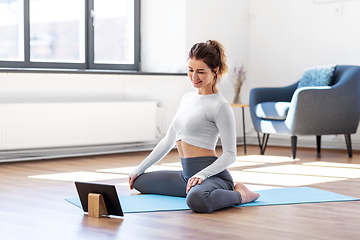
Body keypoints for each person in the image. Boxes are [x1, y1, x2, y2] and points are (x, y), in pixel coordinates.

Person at [129, 40, 260, 213]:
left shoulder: (220, 106)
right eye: (190, 70)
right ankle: (197, 189)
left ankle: (241, 194)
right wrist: (140, 168)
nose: (194, 77)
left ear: (216, 71)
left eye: (201, 72)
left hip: (211, 176)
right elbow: (168, 140)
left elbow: (230, 154)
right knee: (139, 182)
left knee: (197, 200)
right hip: (187, 176)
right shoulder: (187, 98)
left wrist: (202, 175)